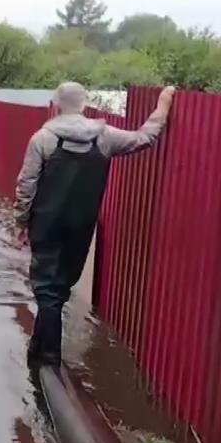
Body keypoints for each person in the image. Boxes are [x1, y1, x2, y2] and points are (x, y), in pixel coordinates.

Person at [15, 82, 175, 369]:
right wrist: (163, 105)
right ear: (85, 103)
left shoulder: (42, 139)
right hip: (82, 225)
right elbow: (144, 138)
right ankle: (38, 349)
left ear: (56, 104)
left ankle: (49, 360)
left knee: (46, 288)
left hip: (47, 224)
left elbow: (26, 185)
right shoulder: (105, 137)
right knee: (59, 288)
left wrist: (21, 221)